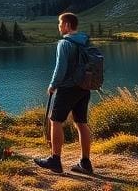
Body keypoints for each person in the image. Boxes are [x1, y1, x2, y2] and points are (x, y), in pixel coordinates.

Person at [34, 12, 93, 175]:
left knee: (55, 120)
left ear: (67, 25)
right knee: (81, 123)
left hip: (68, 88)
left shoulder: (64, 43)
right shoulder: (85, 41)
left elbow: (60, 69)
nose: (59, 27)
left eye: (60, 24)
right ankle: (85, 163)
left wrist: (53, 85)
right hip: (84, 87)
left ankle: (55, 160)